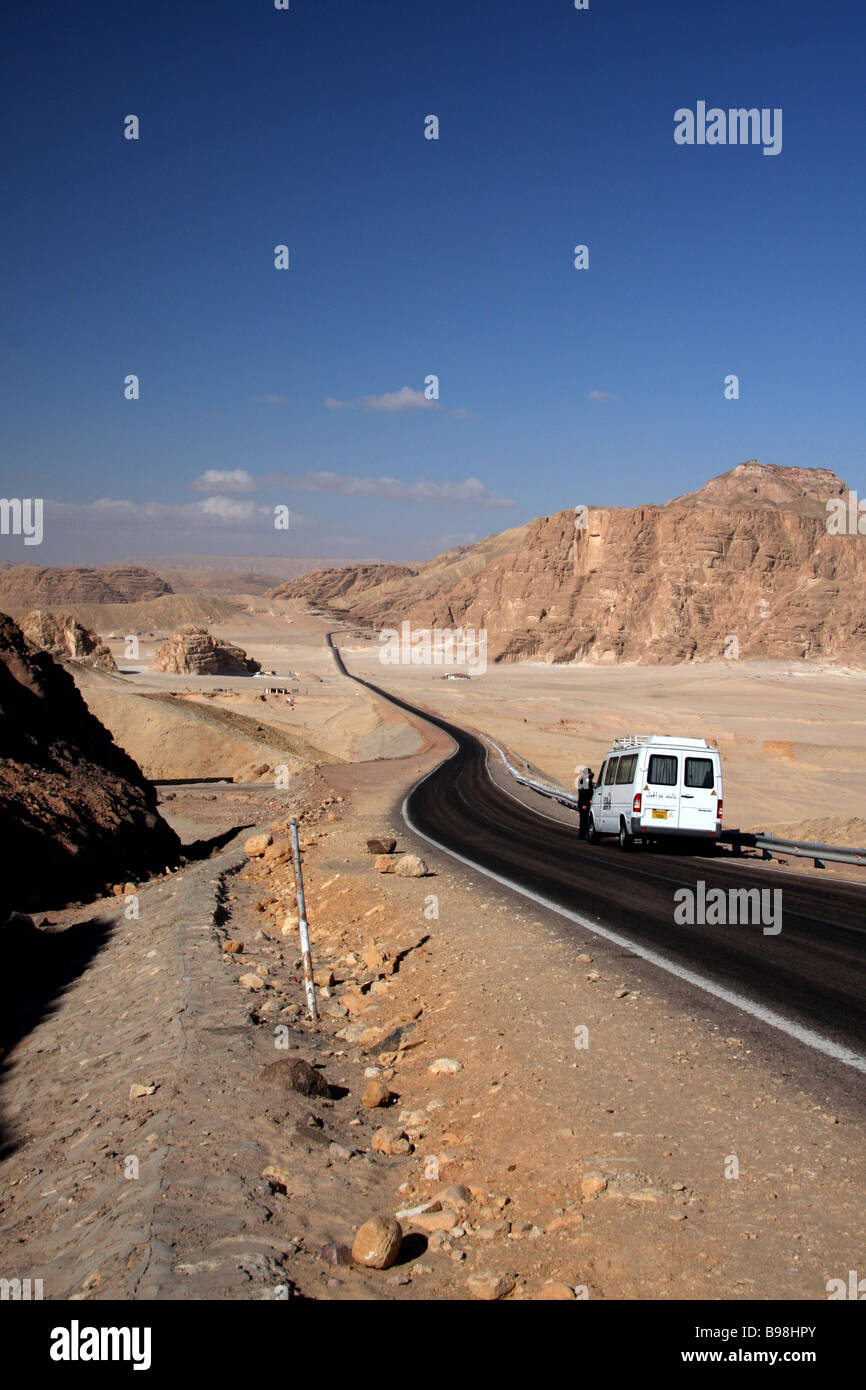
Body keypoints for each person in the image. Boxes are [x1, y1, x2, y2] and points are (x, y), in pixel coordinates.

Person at [577, 767, 594, 840]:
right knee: (584, 821)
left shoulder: (584, 780)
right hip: (584, 803)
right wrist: (583, 804)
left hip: (585, 802)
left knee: (585, 820)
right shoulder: (583, 781)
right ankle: (582, 837)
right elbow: (583, 793)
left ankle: (584, 836)